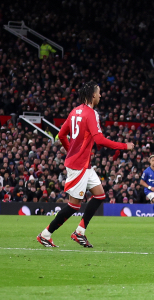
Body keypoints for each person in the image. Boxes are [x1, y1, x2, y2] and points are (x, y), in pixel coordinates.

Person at [36, 81, 133, 248]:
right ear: (93, 95)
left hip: (82, 163)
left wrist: (70, 151)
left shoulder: (75, 111)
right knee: (74, 206)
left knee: (100, 195)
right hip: (78, 165)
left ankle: (79, 232)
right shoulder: (91, 113)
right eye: (99, 92)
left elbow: (61, 135)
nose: (101, 95)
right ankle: (45, 234)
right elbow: (100, 140)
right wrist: (124, 146)